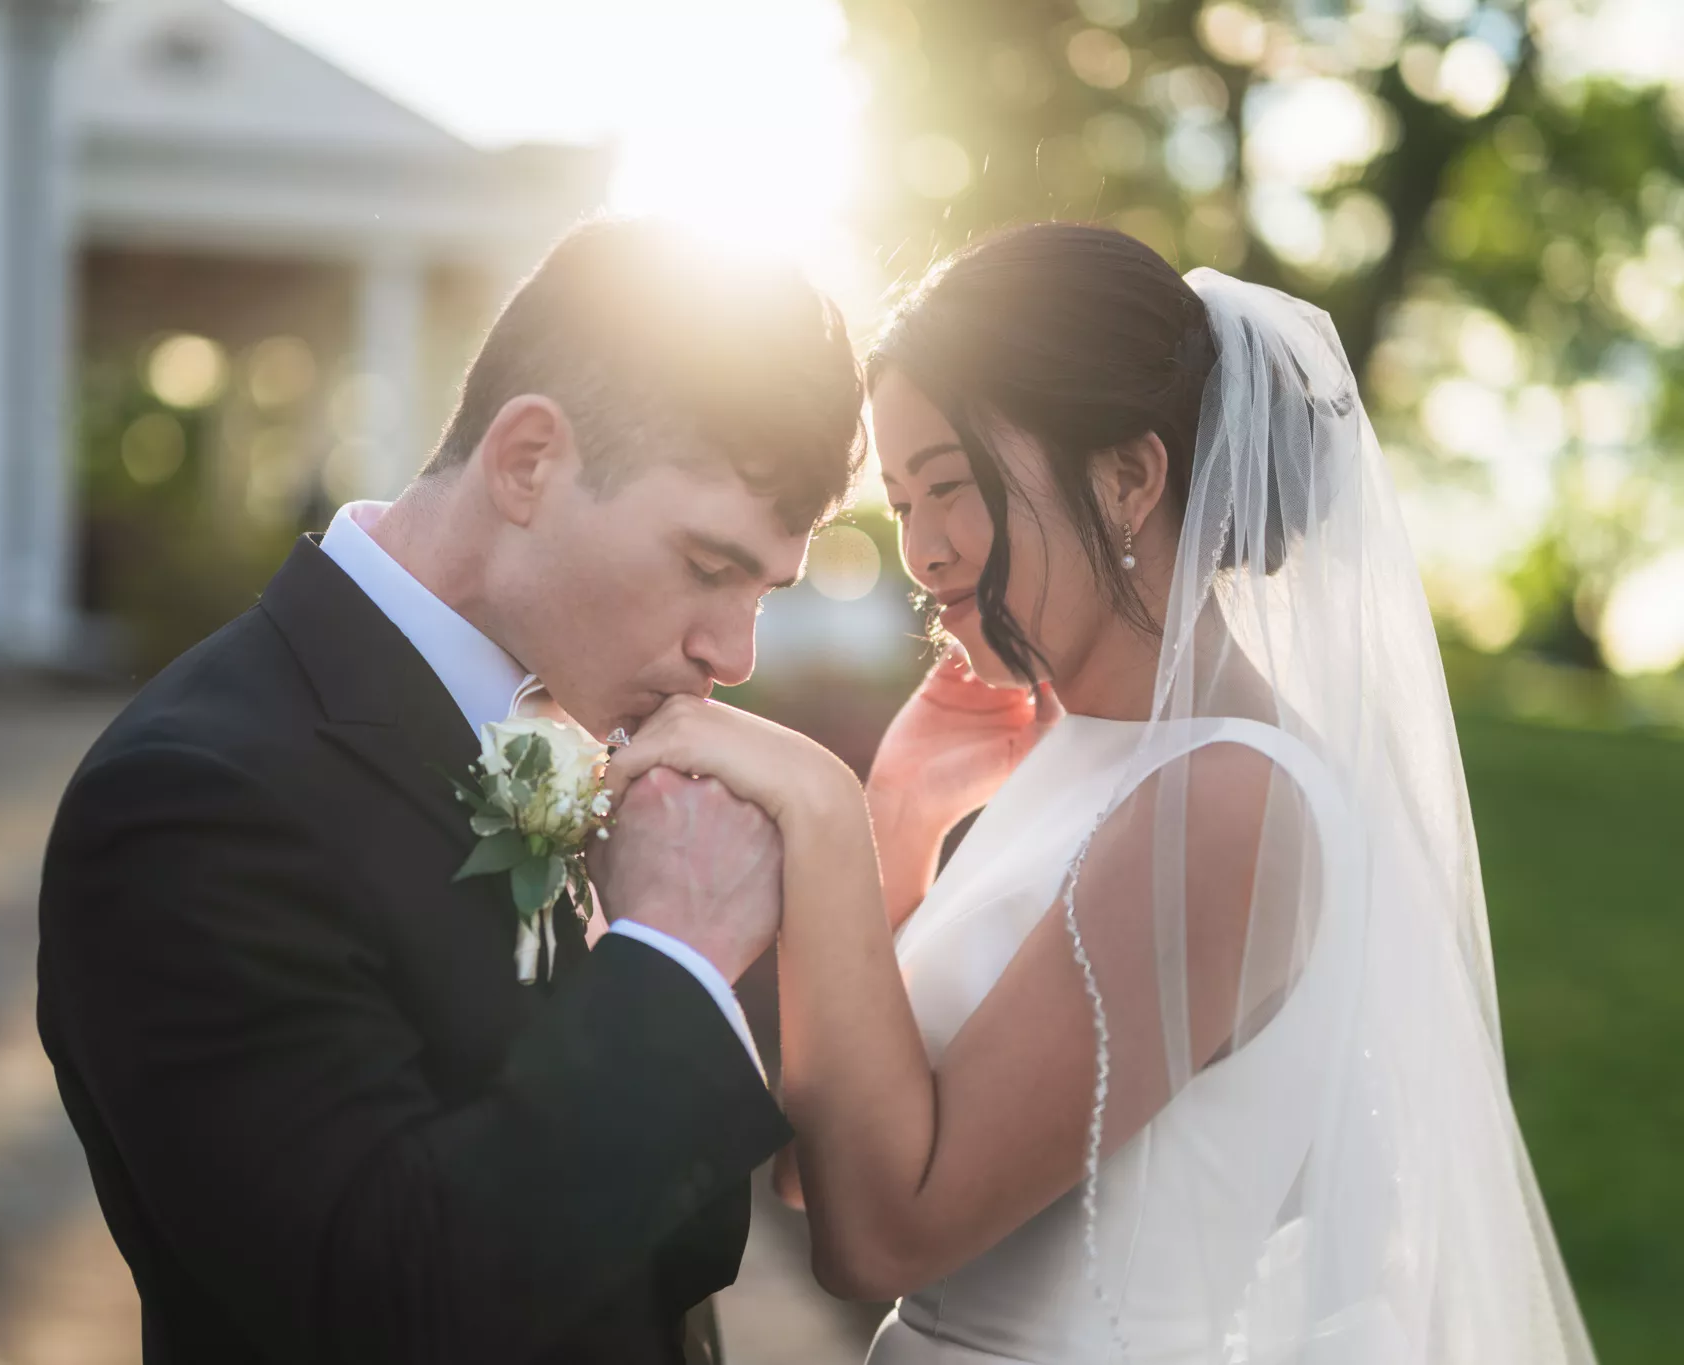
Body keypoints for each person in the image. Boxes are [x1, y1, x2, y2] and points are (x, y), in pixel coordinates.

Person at [608, 223, 1597, 1365]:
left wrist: (818, 810)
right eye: (903, 501)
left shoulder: (1229, 803)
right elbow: (813, 1168)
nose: (922, 551)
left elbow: (877, 1238)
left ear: (1128, 477)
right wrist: (899, 816)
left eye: (951, 485)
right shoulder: (1084, 757)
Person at [35, 218, 866, 1364]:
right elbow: (385, 1308)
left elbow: (667, 1254)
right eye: (708, 567)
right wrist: (672, 956)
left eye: (763, 591)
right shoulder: (193, 802)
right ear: (527, 461)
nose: (734, 653)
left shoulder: (562, 727)